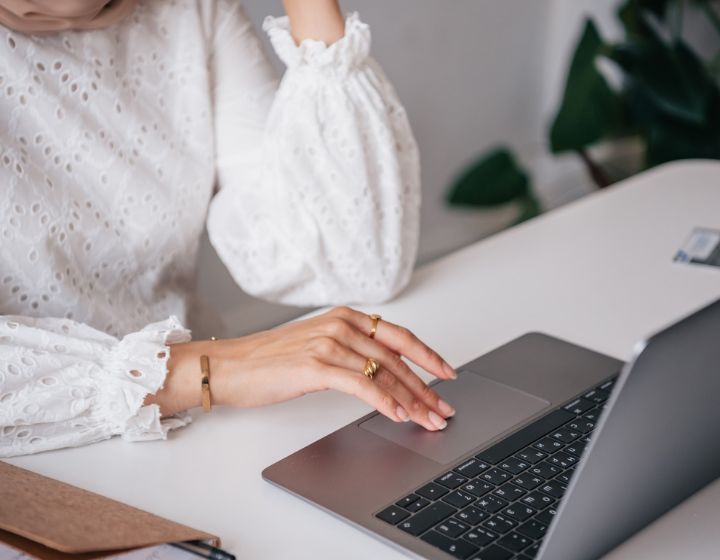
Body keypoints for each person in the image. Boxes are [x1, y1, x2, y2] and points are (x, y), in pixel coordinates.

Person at [0, 0, 456, 458]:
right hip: (39, 470)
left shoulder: (193, 10)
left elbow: (358, 265)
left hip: (191, 432)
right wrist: (211, 369)